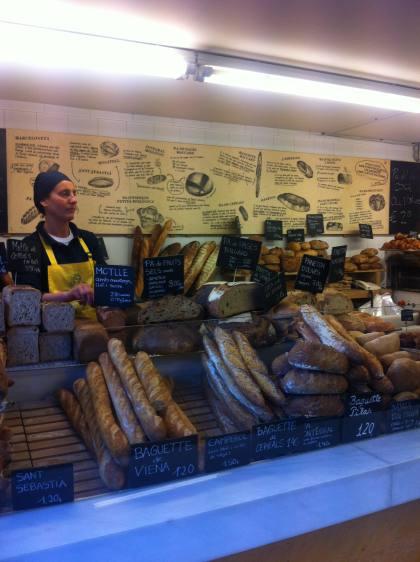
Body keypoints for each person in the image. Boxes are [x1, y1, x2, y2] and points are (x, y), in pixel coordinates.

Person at [17, 171, 105, 318]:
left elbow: (106, 285)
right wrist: (67, 296)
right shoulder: (29, 247)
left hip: (92, 331)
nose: (74, 199)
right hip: (51, 335)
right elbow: (26, 298)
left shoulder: (89, 239)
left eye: (74, 193)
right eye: (65, 193)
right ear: (44, 201)